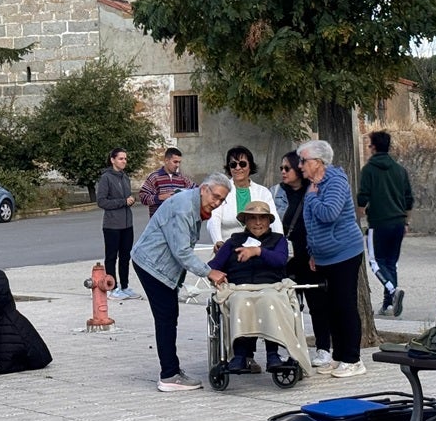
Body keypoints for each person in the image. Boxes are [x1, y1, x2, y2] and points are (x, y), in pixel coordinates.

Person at [131, 173, 232, 391]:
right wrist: (209, 272)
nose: (216, 203)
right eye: (215, 196)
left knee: (168, 316)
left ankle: (171, 369)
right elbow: (182, 252)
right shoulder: (184, 207)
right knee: (166, 318)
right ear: (204, 189)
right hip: (152, 265)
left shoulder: (194, 203)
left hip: (158, 266)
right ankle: (169, 375)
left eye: (221, 200)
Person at [298, 139, 368, 379]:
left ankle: (353, 359)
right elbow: (310, 223)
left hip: (345, 252)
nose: (300, 166)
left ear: (318, 162)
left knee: (345, 305)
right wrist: (312, 252)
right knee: (332, 308)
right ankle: (338, 356)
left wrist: (311, 198)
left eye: (304, 161)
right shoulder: (313, 185)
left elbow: (329, 213)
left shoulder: (335, 181)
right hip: (324, 256)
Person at [209, 200, 290, 372]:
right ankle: (239, 355)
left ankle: (272, 354)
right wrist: (217, 275)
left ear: (269, 221)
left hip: (270, 287)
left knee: (269, 299)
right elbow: (213, 266)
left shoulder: (278, 240)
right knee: (239, 300)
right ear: (245, 221)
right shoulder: (233, 242)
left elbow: (281, 260)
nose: (258, 223)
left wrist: (259, 251)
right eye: (252, 218)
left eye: (262, 218)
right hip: (240, 288)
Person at [272, 150, 332, 367]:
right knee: (287, 304)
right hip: (285, 255)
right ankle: (291, 347)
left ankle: (323, 348)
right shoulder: (276, 193)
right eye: (281, 168)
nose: (283, 172)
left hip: (309, 254)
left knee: (317, 303)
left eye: (287, 168)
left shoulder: (314, 191)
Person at [358, 131, 414, 317]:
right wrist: (406, 221)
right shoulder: (399, 170)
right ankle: (388, 305)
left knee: (375, 262)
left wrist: (359, 219)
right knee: (391, 263)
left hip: (378, 223)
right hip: (398, 223)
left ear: (373, 147)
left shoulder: (368, 170)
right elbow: (409, 199)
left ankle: (392, 290)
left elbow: (362, 198)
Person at [207, 145, 280, 247]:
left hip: (259, 248)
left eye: (242, 164)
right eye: (233, 164)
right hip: (228, 247)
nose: (238, 168)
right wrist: (218, 241)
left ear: (250, 166)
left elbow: (274, 219)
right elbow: (214, 218)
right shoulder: (221, 190)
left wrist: (280, 243)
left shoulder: (263, 192)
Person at [96, 147, 138, 299]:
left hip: (127, 223)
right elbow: (101, 201)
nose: (124, 161)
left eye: (125, 159)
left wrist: (130, 200)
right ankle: (111, 287)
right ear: (113, 160)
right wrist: (123, 202)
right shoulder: (106, 178)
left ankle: (125, 286)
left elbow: (126, 198)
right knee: (111, 256)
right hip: (112, 224)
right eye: (121, 159)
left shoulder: (125, 177)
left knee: (125, 256)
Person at [138, 146, 196, 217]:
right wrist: (160, 197)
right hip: (159, 223)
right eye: (175, 162)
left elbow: (196, 190)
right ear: (166, 160)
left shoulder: (182, 178)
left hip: (178, 223)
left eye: (179, 162)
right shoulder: (155, 177)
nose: (177, 165)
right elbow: (143, 197)